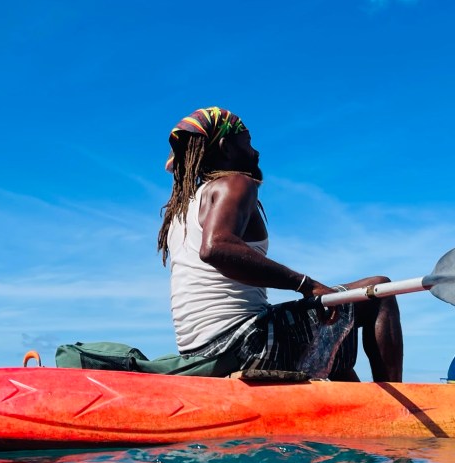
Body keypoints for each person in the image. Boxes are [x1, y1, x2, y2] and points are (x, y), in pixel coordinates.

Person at [158, 107, 403, 382]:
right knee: (379, 292)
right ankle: (398, 401)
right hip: (239, 343)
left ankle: (352, 405)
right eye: (247, 142)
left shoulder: (181, 210)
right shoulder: (235, 183)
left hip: (198, 351)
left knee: (331, 342)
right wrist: (306, 284)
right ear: (226, 147)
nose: (255, 152)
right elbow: (217, 248)